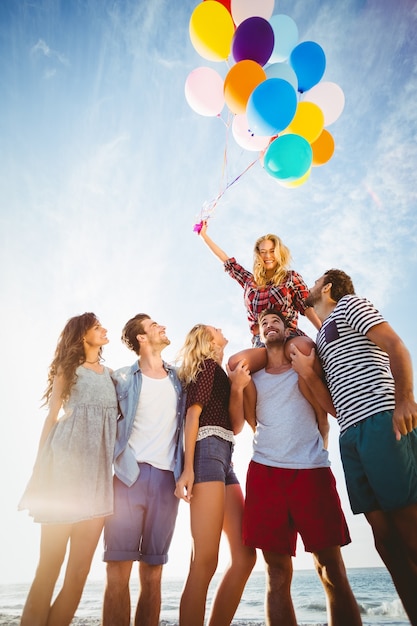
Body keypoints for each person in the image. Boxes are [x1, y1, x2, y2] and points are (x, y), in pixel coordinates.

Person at [289, 269, 417, 625]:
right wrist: (310, 375)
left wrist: (405, 399)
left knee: (409, 531)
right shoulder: (324, 337)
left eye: (315, 281)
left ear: (327, 287)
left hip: (381, 420)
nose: (310, 285)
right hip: (351, 435)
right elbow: (334, 405)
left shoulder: (350, 305)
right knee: (386, 544)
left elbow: (395, 345)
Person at [228, 307, 362, 626]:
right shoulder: (253, 377)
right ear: (259, 335)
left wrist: (320, 450)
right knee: (276, 574)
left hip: (312, 472)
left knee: (330, 567)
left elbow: (323, 418)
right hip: (265, 473)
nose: (271, 325)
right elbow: (250, 421)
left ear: (288, 331)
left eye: (277, 321)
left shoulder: (303, 367)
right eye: (264, 323)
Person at [18, 313, 118, 626]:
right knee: (48, 568)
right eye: (97, 325)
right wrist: (38, 469)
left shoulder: (113, 376)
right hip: (62, 475)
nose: (104, 328)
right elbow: (51, 419)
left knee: (78, 574)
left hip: (98, 482)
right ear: (81, 334)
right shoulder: (68, 370)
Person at [102, 314, 185, 626]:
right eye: (153, 325)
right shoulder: (121, 378)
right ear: (141, 338)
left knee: (153, 574)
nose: (161, 326)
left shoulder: (180, 378)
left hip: (167, 483)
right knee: (117, 572)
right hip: (127, 478)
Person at [174, 324, 256, 626]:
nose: (221, 329)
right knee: (205, 561)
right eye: (215, 328)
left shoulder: (220, 372)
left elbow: (236, 426)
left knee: (245, 557)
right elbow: (192, 415)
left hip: (226, 457)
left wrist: (237, 388)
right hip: (205, 453)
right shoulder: (207, 366)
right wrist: (187, 469)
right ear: (209, 340)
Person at [198, 220, 321, 347]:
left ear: (279, 253)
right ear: (258, 255)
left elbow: (306, 307)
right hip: (262, 340)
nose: (267, 255)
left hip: (288, 336)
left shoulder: (290, 277)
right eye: (263, 252)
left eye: (272, 251)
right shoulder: (250, 282)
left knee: (305, 351)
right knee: (237, 362)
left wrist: (323, 332)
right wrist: (204, 236)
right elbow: (227, 261)